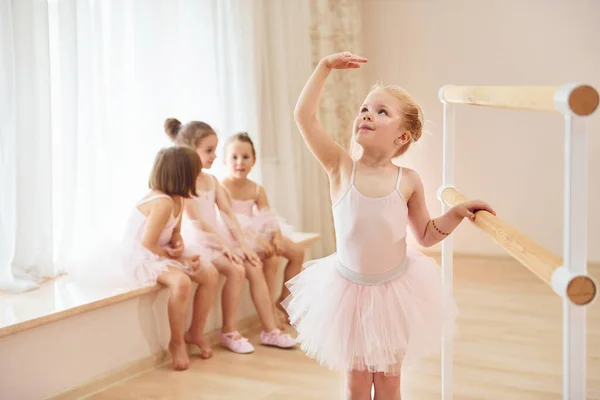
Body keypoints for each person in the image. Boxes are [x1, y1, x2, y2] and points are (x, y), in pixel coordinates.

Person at [283, 52, 495, 399]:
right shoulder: (340, 168)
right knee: (356, 383)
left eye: (382, 111)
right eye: (365, 108)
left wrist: (456, 213)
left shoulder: (407, 181)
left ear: (402, 137)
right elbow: (303, 117)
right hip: (346, 293)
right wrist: (324, 68)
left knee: (389, 383)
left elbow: (425, 235)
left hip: (394, 292)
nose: (367, 113)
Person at [165, 119, 297, 352]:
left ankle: (254, 330)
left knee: (246, 267)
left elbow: (228, 214)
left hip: (216, 241)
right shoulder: (185, 182)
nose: (215, 156)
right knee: (235, 270)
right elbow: (197, 221)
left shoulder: (212, 181)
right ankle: (228, 331)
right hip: (198, 243)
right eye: (209, 150)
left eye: (215, 150)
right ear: (190, 150)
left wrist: (243, 246)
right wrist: (224, 245)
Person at [220, 132, 304, 328]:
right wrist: (259, 241)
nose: (239, 162)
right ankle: (269, 311)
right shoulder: (223, 187)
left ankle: (282, 303)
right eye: (234, 157)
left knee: (297, 253)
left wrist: (276, 236)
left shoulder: (256, 189)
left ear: (254, 160)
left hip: (258, 231)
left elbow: (268, 216)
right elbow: (231, 222)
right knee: (272, 258)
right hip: (236, 236)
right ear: (225, 161)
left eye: (245, 157)